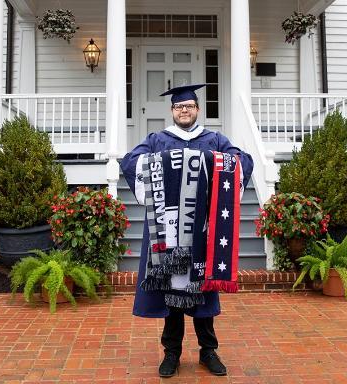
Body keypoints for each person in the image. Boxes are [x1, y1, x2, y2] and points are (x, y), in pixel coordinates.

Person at [121, 84, 254, 378]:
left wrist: (211, 160)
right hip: (168, 234)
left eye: (190, 107)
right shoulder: (157, 139)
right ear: (172, 111)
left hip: (203, 230)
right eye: (180, 107)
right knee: (171, 292)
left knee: (203, 291)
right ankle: (172, 353)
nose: (185, 111)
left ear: (197, 110)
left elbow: (240, 160)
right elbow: (132, 162)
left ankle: (208, 351)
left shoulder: (215, 139)